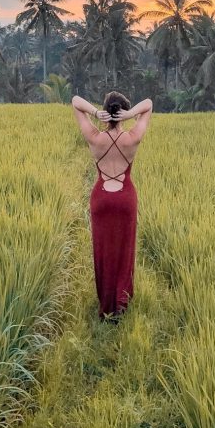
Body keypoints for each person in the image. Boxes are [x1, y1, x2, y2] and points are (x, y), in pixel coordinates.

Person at [71, 91, 153, 322]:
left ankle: (106, 304)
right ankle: (121, 303)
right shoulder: (132, 138)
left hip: (102, 200)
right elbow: (147, 103)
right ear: (124, 114)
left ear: (107, 113)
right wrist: (132, 113)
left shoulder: (95, 138)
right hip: (125, 199)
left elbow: (76, 102)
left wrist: (96, 113)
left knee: (103, 251)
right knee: (125, 250)